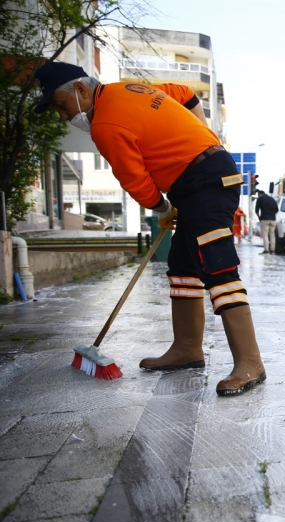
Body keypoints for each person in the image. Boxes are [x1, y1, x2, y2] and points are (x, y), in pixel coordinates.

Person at [34, 61, 266, 395]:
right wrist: (202, 137)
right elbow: (185, 95)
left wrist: (164, 208)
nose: (63, 116)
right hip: (199, 179)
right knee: (184, 267)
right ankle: (187, 349)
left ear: (82, 90)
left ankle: (250, 363)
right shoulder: (127, 88)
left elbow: (137, 183)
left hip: (205, 182)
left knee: (218, 267)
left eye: (62, 105)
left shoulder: (106, 124)